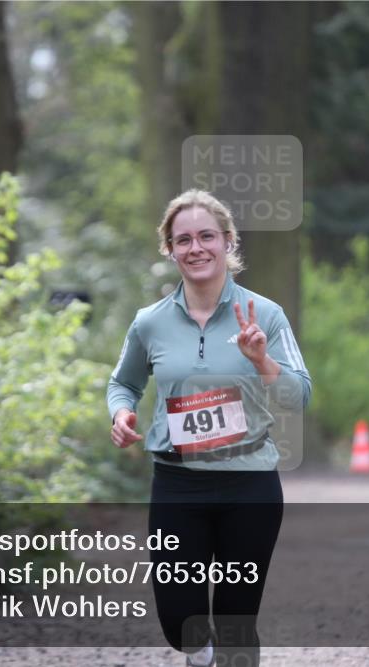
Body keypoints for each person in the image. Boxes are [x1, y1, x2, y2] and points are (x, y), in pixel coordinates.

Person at [107, 189, 311, 667]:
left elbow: (298, 397)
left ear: (227, 242)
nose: (195, 248)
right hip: (178, 484)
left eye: (206, 236)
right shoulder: (149, 323)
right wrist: (120, 414)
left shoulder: (267, 315)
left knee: (238, 619)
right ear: (170, 249)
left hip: (249, 483)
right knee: (182, 621)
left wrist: (262, 360)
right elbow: (123, 384)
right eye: (183, 240)